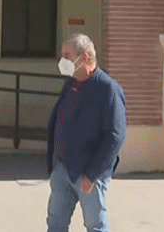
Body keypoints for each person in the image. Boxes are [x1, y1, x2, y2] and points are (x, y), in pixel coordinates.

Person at [46, 34, 126, 232]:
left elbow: (115, 136)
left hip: (89, 174)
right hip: (63, 168)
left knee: (95, 226)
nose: (62, 60)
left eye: (67, 55)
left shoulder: (107, 89)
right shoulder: (71, 83)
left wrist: (92, 175)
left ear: (84, 57)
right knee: (55, 224)